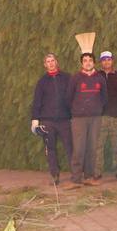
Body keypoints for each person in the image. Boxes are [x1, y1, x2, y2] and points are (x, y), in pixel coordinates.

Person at [65, 52, 107, 188]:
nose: (88, 63)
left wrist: (97, 109)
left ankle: (89, 177)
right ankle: (76, 179)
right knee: (79, 148)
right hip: (79, 118)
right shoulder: (76, 78)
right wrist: (76, 111)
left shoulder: (100, 78)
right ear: (81, 63)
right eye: (85, 60)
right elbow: (69, 97)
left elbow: (104, 97)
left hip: (95, 118)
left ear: (94, 63)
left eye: (90, 60)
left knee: (92, 148)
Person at [30, 52, 73, 185]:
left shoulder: (67, 78)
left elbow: (72, 97)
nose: (51, 63)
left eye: (52, 60)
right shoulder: (42, 82)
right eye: (48, 61)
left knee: (70, 147)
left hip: (65, 119)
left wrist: (74, 114)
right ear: (45, 65)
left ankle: (76, 174)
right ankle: (54, 175)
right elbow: (37, 101)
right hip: (47, 121)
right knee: (51, 149)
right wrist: (35, 120)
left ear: (56, 62)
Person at [96, 50, 117, 177]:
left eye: (109, 59)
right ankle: (97, 170)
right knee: (98, 145)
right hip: (100, 117)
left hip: (116, 117)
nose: (106, 62)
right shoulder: (96, 77)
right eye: (104, 60)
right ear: (101, 62)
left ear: (112, 61)